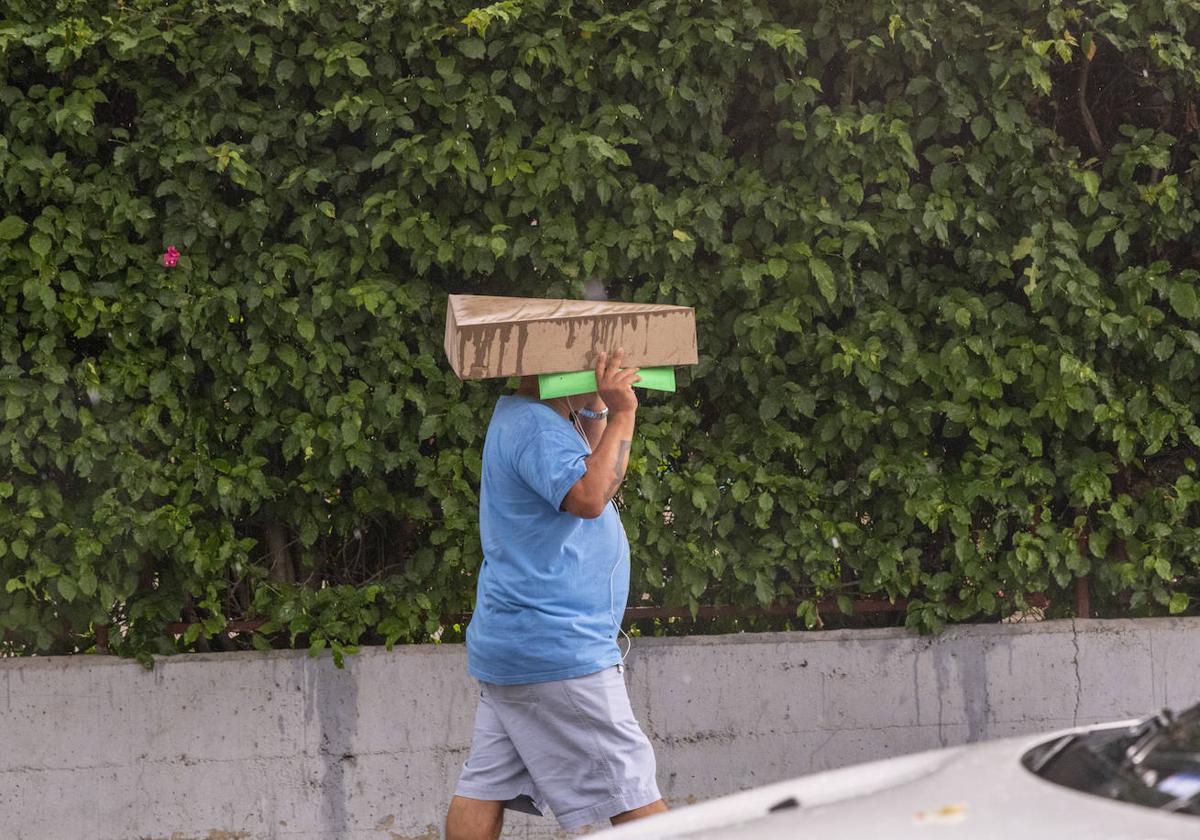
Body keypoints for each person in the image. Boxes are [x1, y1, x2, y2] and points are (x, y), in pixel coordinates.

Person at [445, 348, 669, 840]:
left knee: (486, 784)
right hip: (556, 647)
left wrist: (594, 404)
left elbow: (582, 458)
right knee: (631, 787)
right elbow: (590, 494)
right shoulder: (535, 427)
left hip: (518, 641)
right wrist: (626, 411)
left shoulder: (528, 417)